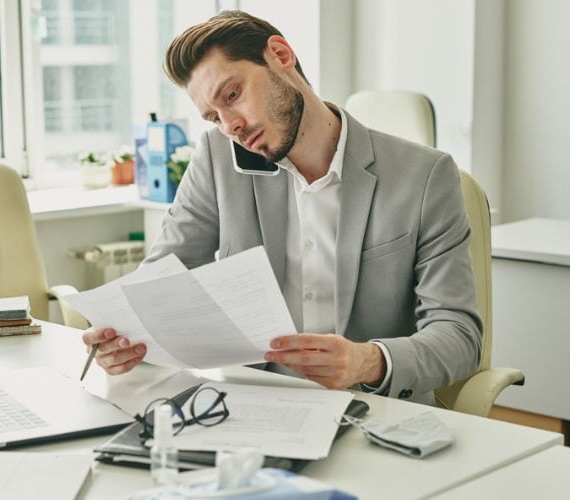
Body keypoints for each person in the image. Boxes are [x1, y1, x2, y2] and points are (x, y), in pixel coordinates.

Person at [81, 10, 482, 404]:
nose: (230, 126)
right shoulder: (217, 159)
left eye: (233, 95)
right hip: (254, 409)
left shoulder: (425, 175)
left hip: (378, 412)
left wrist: (368, 361)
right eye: (213, 117)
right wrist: (121, 337)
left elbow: (459, 334)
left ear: (281, 56)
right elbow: (160, 282)